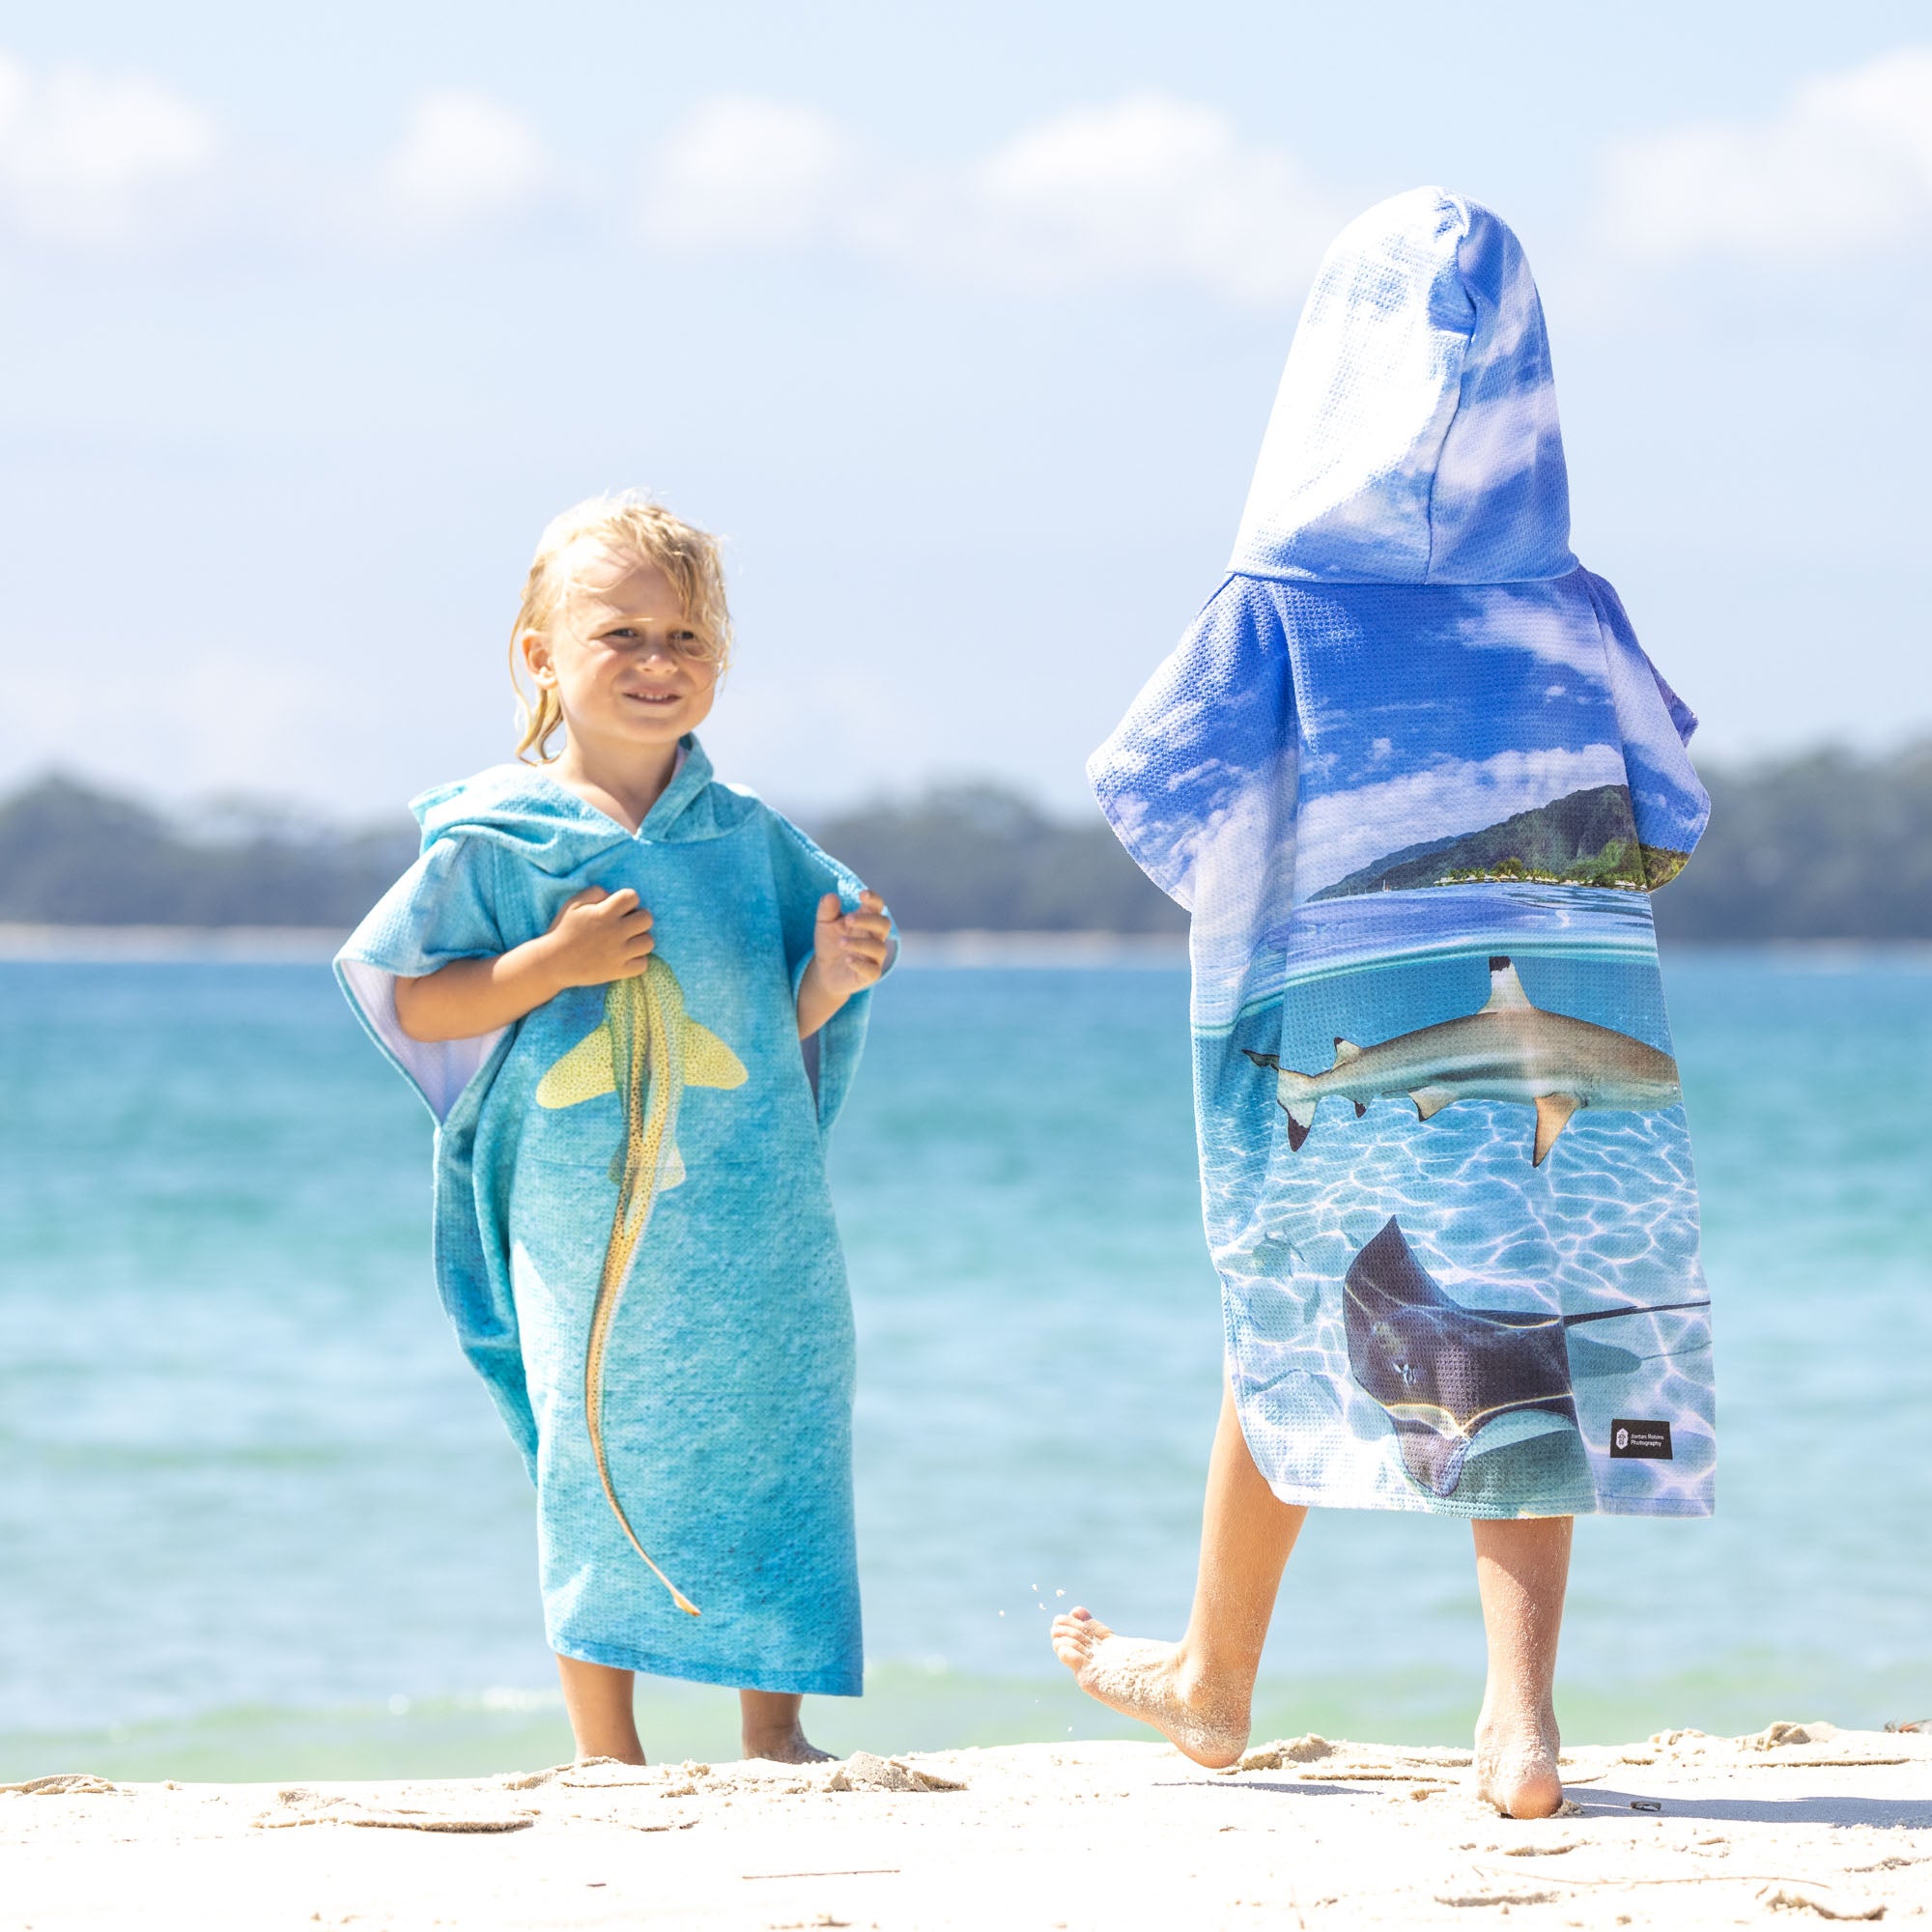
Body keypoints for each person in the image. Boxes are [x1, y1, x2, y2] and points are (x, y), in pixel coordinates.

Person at [1058, 188, 1714, 1819]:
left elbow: (1146, 792)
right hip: (1540, 1032)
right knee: (1522, 1328)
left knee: (1285, 1307)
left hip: (1322, 1018)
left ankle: (1213, 1681)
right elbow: (1674, 811)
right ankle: (1518, 1724)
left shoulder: (1272, 605)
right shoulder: (1567, 604)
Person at [337, 495, 893, 1766]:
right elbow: (416, 996)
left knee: (780, 1430)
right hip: (582, 1215)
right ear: (541, 655)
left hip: (756, 1210)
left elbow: (778, 1012)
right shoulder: (498, 839)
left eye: (686, 638)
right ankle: (606, 1747)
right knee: (594, 1442)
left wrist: (840, 976)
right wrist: (550, 960)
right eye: (621, 635)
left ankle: (776, 1733)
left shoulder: (749, 838)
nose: (657, 664)